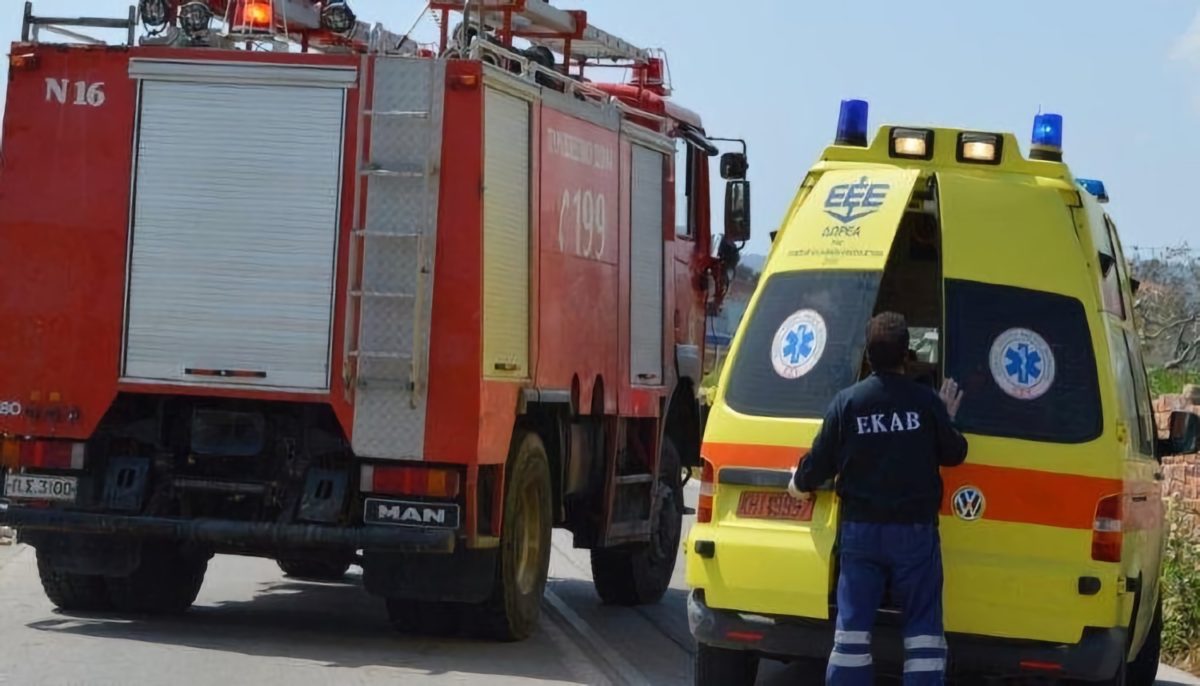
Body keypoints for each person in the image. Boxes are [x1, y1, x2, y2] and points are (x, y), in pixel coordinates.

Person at [788, 311, 968, 686]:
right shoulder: (926, 403)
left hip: (861, 533)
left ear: (867, 355)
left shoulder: (847, 403)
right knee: (923, 632)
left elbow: (819, 462)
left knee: (852, 633)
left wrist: (798, 483)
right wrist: (945, 417)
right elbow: (954, 453)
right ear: (907, 355)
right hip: (914, 535)